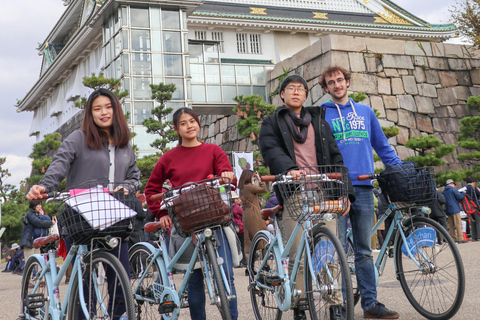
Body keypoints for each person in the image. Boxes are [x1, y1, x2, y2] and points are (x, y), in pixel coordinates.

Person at [26, 88, 141, 318]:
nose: (104, 112)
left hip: (114, 216)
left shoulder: (125, 145)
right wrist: (44, 186)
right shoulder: (78, 139)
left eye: (108, 107)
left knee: (121, 282)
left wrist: (127, 187)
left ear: (116, 111)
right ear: (90, 113)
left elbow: (134, 177)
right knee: (84, 284)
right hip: (82, 217)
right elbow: (60, 164)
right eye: (97, 108)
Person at [259, 74, 355, 320]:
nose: (296, 92)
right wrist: (289, 169)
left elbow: (335, 157)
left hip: (322, 190)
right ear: (282, 94)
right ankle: (300, 306)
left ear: (306, 95)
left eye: (301, 89)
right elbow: (271, 149)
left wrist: (346, 194)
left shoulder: (319, 121)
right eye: (290, 88)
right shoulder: (272, 122)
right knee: (298, 254)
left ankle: (335, 306)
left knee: (327, 250)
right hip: (294, 193)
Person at [319, 65, 401, 319]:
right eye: (331, 82)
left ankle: (370, 305)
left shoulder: (365, 112)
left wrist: (399, 169)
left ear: (347, 82)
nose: (337, 85)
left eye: (340, 80)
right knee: (338, 251)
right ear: (325, 88)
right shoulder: (321, 114)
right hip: (334, 189)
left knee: (364, 250)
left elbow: (382, 145)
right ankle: (340, 307)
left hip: (364, 187)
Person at [144, 107, 238, 320]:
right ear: (177, 129)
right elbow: (151, 190)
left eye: (192, 121)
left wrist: (226, 174)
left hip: (214, 217)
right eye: (183, 123)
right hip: (186, 224)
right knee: (194, 280)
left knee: (227, 277)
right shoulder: (168, 158)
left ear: (198, 123)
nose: (189, 126)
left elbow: (225, 171)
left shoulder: (214, 150)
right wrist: (161, 213)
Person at [238, 170, 267, 263]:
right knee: (263, 236)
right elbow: (263, 189)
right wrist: (259, 179)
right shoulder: (249, 187)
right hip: (254, 214)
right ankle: (265, 265)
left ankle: (249, 267)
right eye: (252, 177)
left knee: (248, 241)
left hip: (246, 214)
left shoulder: (241, 188)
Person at [443, 179, 467, 243]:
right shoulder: (453, 190)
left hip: (448, 209)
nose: (454, 185)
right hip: (455, 209)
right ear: (451, 183)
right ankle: (460, 238)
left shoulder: (444, 191)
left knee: (451, 225)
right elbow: (459, 197)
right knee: (458, 224)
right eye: (454, 184)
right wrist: (463, 193)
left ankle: (453, 238)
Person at [231, 191, 246, 268]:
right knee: (243, 245)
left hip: (233, 229)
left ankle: (237, 261)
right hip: (240, 228)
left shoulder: (228, 207)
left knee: (236, 245)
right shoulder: (237, 207)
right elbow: (244, 214)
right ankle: (244, 261)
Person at [465, 176, 480, 241]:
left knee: (473, 222)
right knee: (478, 222)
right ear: (473, 182)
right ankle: (479, 236)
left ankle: (474, 237)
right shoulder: (473, 188)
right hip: (474, 207)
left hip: (468, 208)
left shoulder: (465, 189)